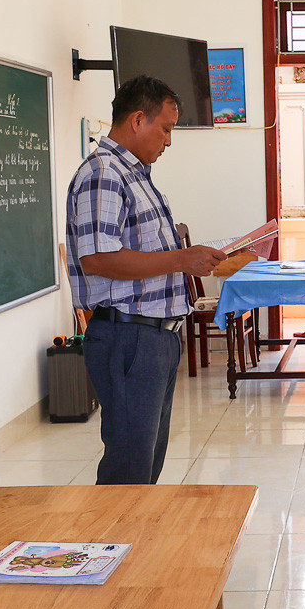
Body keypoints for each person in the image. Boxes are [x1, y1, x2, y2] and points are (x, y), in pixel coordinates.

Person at [66, 75, 223, 485]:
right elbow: (98, 258)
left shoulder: (135, 175)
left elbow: (144, 252)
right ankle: (109, 547)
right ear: (138, 120)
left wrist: (190, 259)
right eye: (166, 128)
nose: (168, 141)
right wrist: (180, 259)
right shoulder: (104, 174)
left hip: (154, 338)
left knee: (146, 463)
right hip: (128, 338)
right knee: (129, 468)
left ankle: (132, 545)